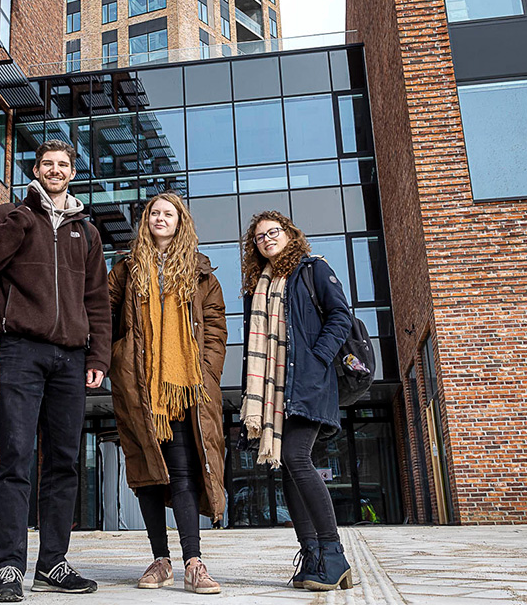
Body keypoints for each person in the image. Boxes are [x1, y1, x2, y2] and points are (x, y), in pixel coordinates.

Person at [0, 140, 112, 603]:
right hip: (20, 351)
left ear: (72, 172)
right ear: (36, 169)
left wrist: (98, 358)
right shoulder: (9, 216)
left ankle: (53, 562)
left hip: (70, 358)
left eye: (63, 165)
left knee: (65, 461)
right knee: (14, 458)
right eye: (47, 164)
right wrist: (21, 220)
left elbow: (98, 302)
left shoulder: (85, 232)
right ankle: (9, 567)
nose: (55, 170)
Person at [106, 193, 227, 595]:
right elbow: (104, 318)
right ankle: (161, 560)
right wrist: (117, 362)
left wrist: (205, 373)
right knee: (146, 475)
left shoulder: (200, 272)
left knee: (184, 474)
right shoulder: (125, 269)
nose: (160, 218)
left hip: (183, 391)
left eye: (168, 214)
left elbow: (214, 328)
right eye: (154, 213)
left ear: (180, 222)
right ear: (146, 221)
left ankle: (194, 561)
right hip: (138, 388)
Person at [238, 211, 356, 592]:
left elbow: (341, 316)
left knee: (295, 457)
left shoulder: (312, 270)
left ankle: (333, 554)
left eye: (274, 232)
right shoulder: (259, 285)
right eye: (260, 237)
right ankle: (312, 556)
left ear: (290, 235)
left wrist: (318, 358)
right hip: (275, 390)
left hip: (308, 383)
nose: (267, 239)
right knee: (287, 466)